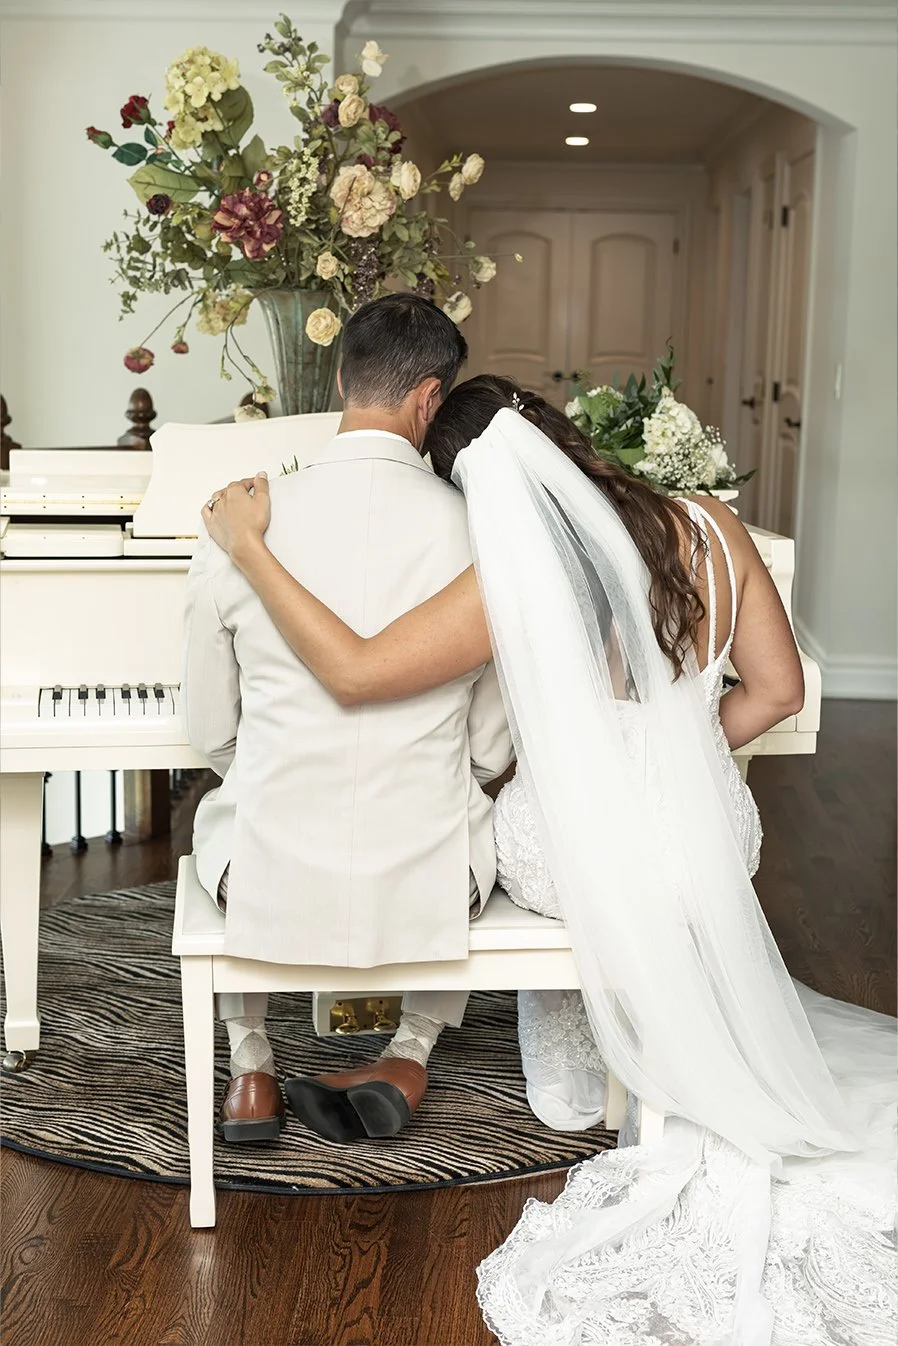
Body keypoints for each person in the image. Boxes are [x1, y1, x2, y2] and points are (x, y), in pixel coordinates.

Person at [204, 374, 896, 1345]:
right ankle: (461, 1055)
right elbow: (775, 691)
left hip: (574, 855)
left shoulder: (516, 566)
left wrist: (248, 546)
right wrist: (679, 772)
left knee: (489, 811)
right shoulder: (707, 525)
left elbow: (357, 670)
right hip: (709, 848)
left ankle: (480, 1063)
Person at [182, 301, 512, 1148]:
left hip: (262, 879)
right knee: (477, 826)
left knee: (232, 815)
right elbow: (487, 752)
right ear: (430, 399)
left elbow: (210, 730)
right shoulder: (485, 538)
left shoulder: (236, 522)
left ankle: (251, 1065)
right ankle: (409, 1050)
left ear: (339, 377)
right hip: (433, 884)